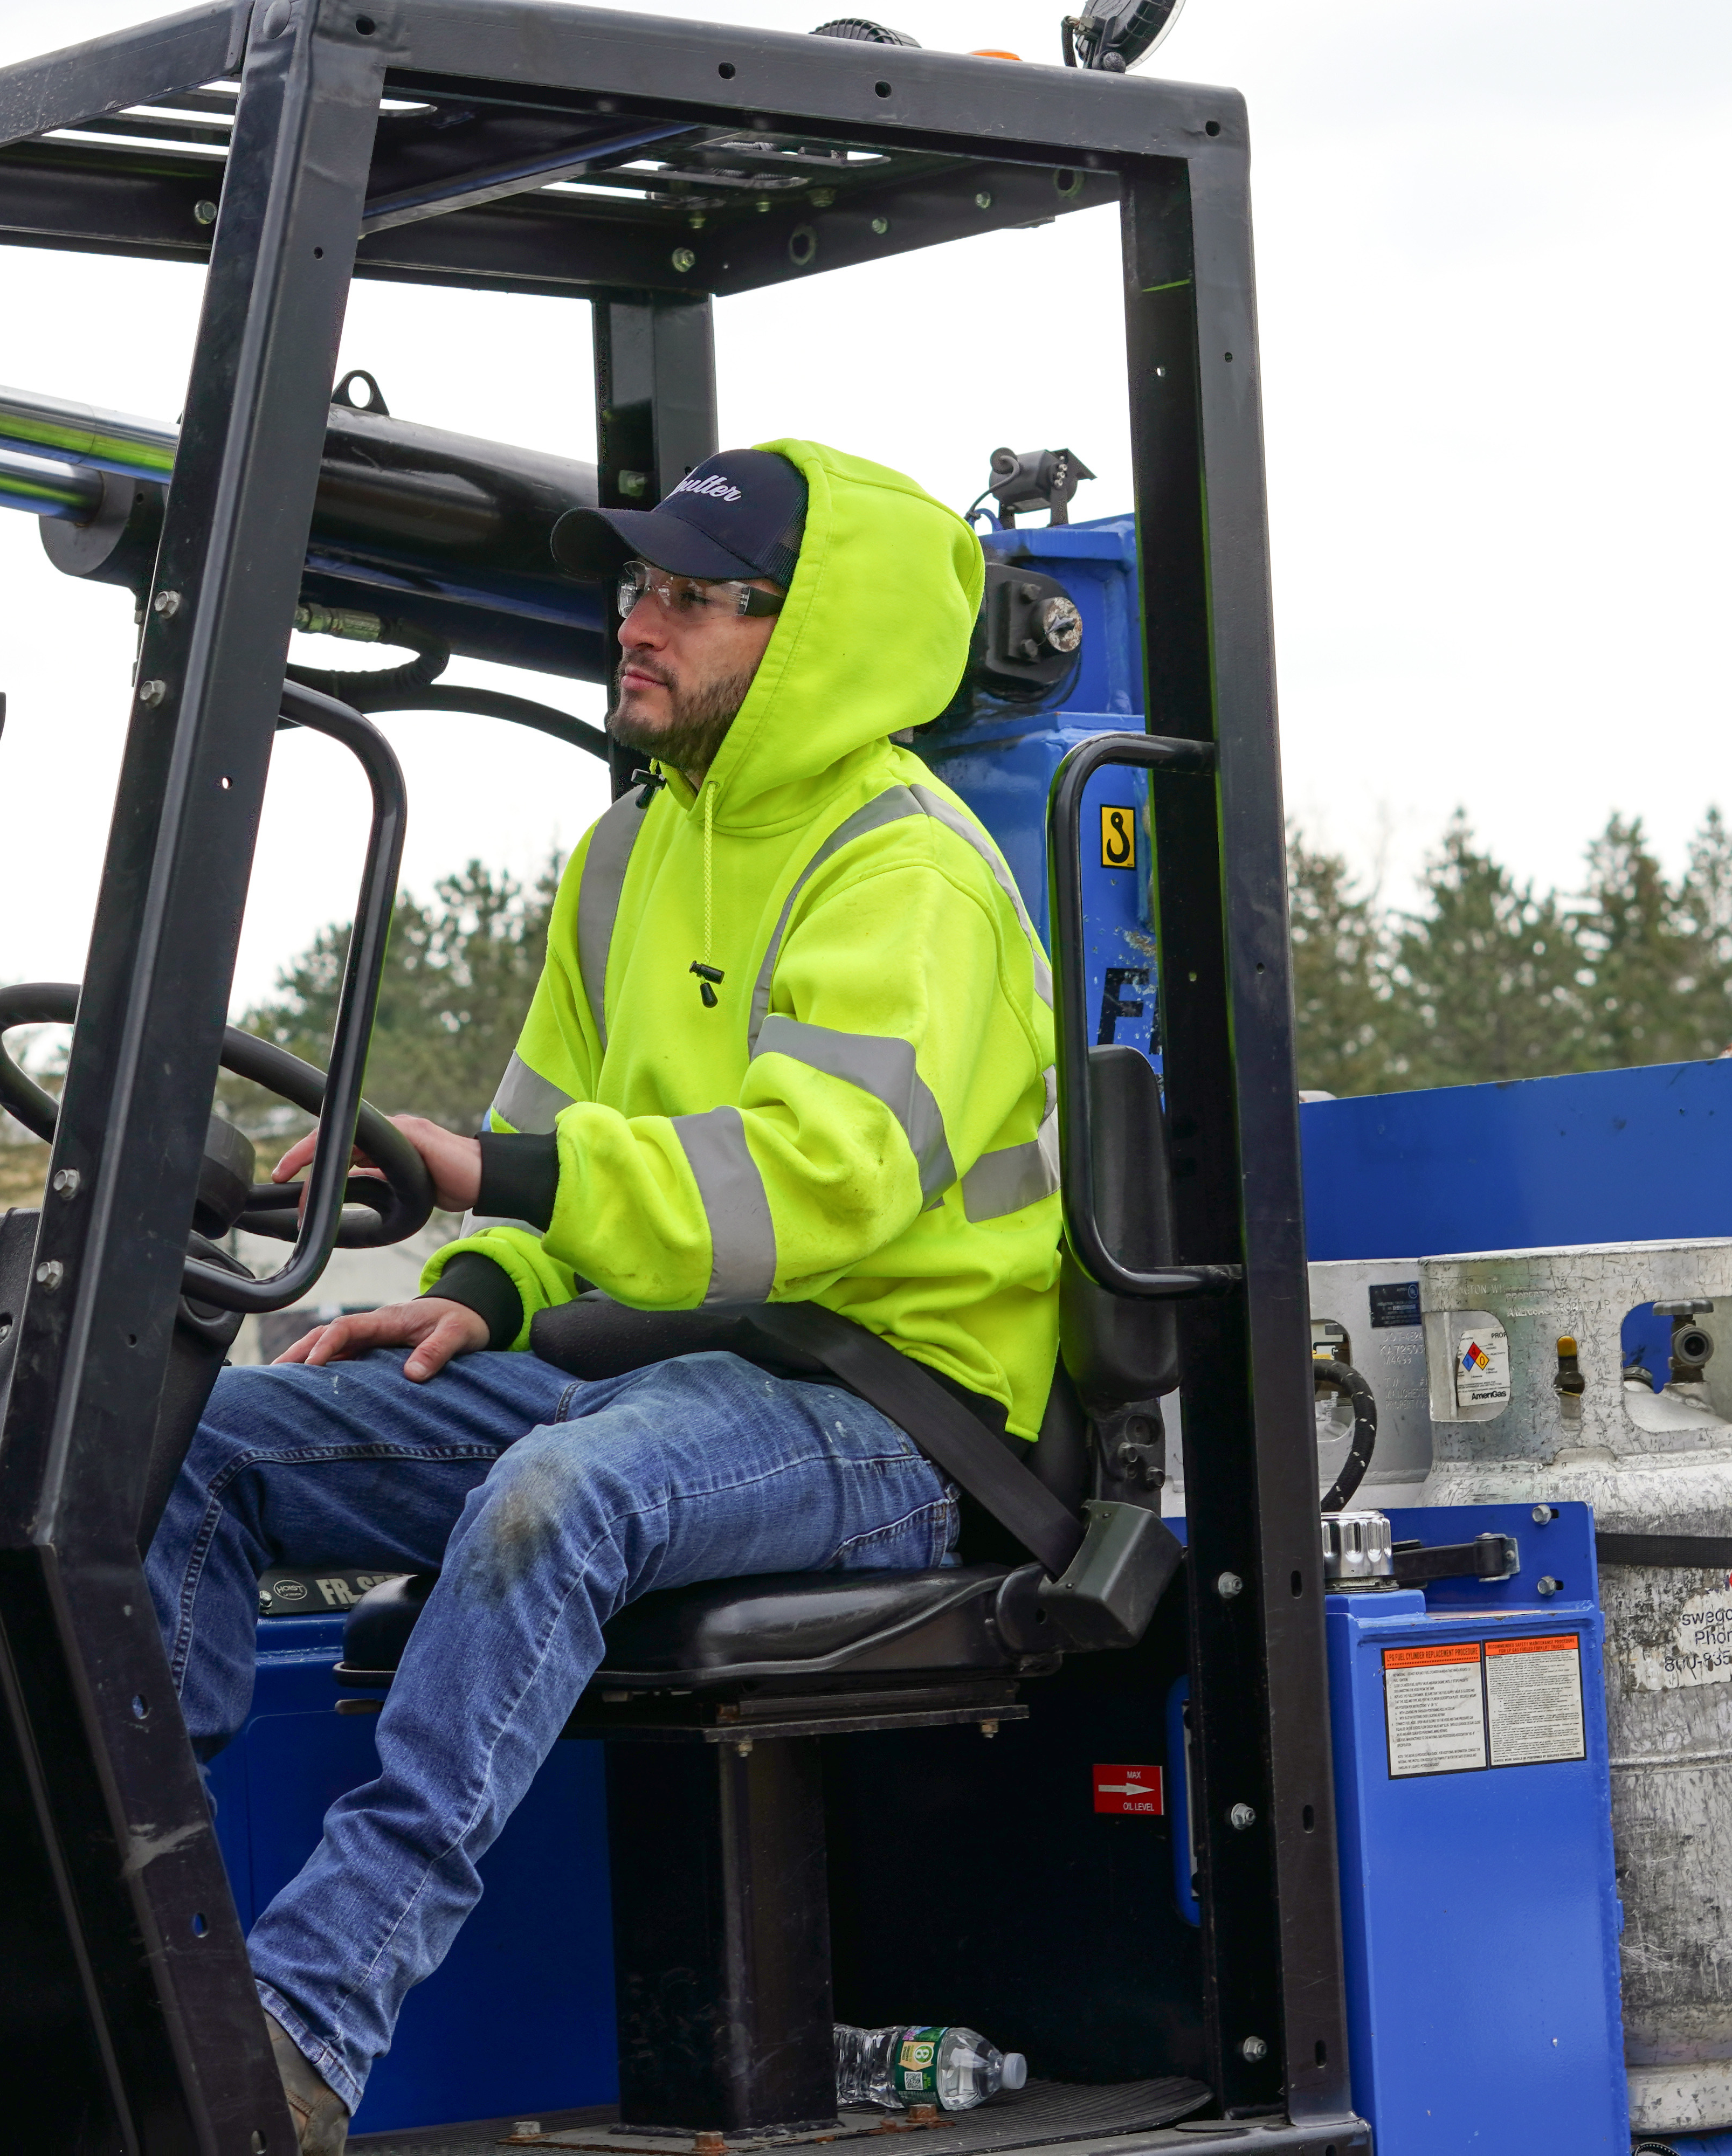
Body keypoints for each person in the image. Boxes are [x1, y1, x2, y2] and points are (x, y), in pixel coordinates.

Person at [146, 441, 1062, 2154]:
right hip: (659, 1372)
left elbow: (811, 1185)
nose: (637, 625)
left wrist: (502, 1185)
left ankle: (294, 2037)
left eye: (691, 599)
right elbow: (560, 1136)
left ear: (815, 637)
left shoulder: (908, 875)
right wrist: (482, 1288)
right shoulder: (629, 856)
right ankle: (146, 1966)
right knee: (195, 1435)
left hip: (892, 1409)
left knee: (559, 1492)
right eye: (637, 589)